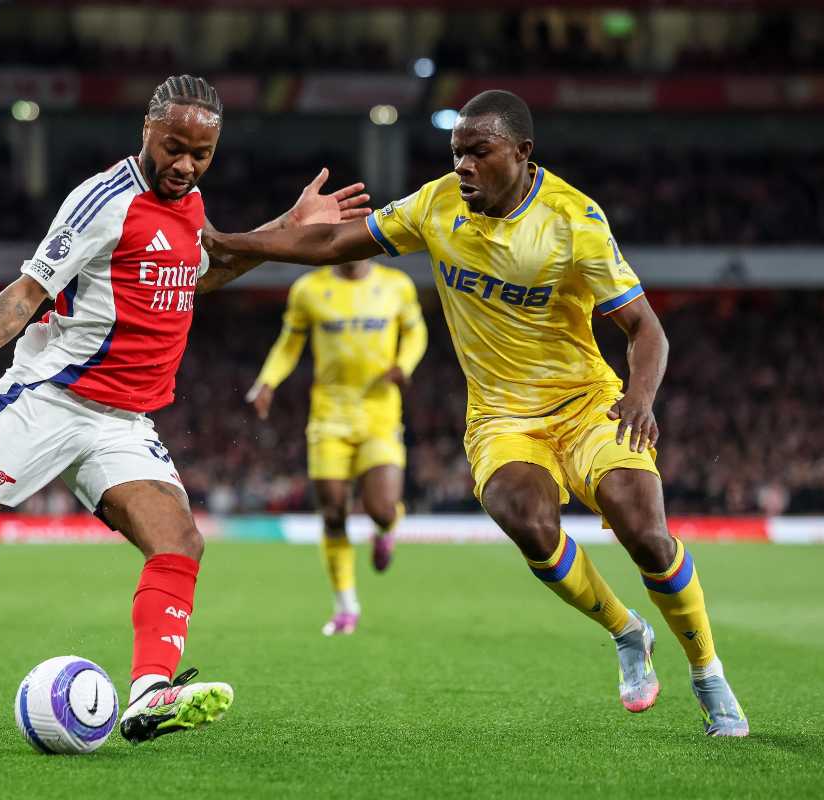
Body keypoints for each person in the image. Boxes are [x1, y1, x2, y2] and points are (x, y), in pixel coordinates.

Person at [0, 75, 371, 745]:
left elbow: (205, 269)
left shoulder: (190, 200)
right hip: (49, 401)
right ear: (147, 130)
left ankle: (150, 694)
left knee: (179, 541)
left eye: (201, 154)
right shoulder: (102, 200)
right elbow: (26, 294)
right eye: (174, 148)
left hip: (122, 422)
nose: (185, 165)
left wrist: (286, 227)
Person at [203, 89, 749, 737]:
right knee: (528, 522)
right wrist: (230, 240)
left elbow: (645, 328)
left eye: (478, 152)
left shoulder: (574, 220)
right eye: (456, 152)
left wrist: (639, 397)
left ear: (521, 153)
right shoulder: (436, 205)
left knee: (646, 534)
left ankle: (707, 671)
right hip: (501, 418)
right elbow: (330, 243)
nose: (462, 165)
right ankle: (626, 630)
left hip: (586, 404)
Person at [248, 258, 426, 636]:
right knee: (332, 513)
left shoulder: (396, 285)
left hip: (380, 415)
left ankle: (385, 529)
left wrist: (404, 365)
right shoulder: (308, 289)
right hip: (329, 417)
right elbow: (289, 344)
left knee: (381, 509)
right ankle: (346, 606)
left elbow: (416, 332)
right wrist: (267, 381)